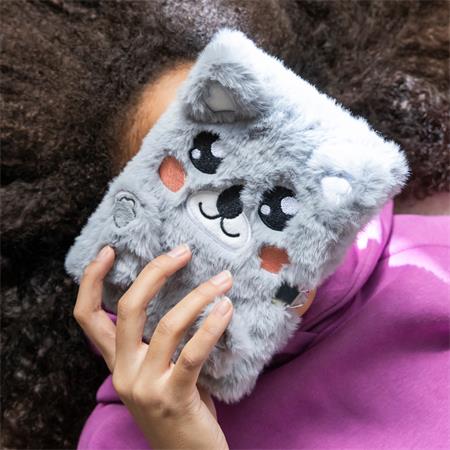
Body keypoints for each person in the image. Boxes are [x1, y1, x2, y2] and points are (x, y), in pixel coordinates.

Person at [73, 63, 450, 449]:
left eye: (262, 139)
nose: (234, 204)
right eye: (202, 159)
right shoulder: (121, 438)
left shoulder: (434, 263)